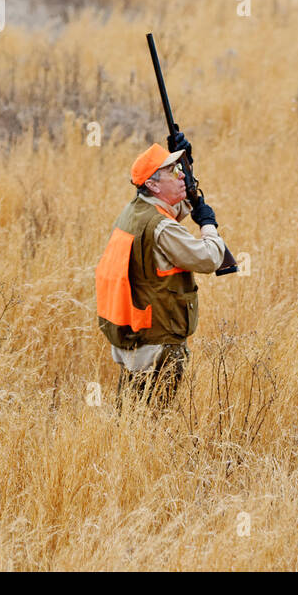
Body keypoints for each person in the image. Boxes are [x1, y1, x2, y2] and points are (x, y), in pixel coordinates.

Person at [95, 142, 226, 407]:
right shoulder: (162, 228)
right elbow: (211, 258)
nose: (180, 176)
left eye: (180, 169)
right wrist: (208, 225)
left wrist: (189, 175)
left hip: (135, 340)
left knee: (131, 421)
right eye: (173, 171)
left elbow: (168, 211)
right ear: (153, 185)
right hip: (159, 345)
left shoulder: (134, 211)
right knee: (151, 426)